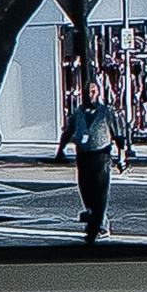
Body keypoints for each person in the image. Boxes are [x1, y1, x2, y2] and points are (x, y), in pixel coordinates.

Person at [54, 78, 124, 243]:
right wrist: (60, 150)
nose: (90, 95)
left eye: (93, 91)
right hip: (83, 156)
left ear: (98, 92)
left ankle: (96, 227)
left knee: (100, 193)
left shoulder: (105, 113)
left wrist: (122, 156)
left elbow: (118, 135)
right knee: (86, 191)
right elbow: (68, 131)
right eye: (87, 92)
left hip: (101, 155)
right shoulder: (78, 113)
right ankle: (98, 221)